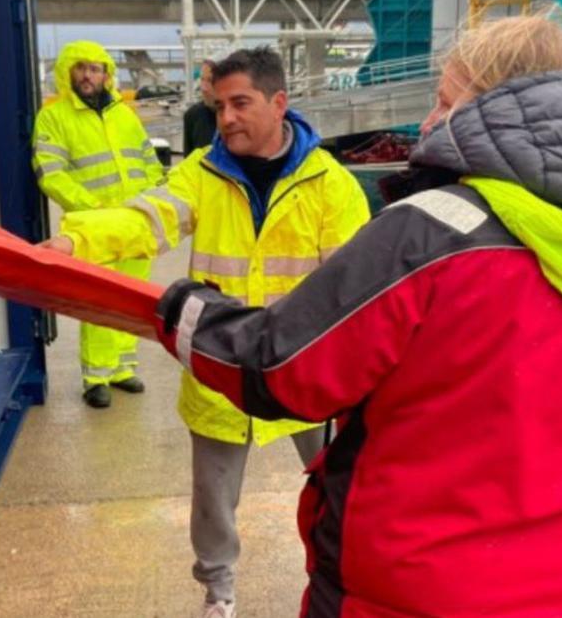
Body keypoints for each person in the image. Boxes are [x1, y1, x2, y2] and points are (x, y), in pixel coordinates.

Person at [154, 8, 562, 617]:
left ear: (489, 110)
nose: (426, 122)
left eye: (443, 102)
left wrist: (187, 309)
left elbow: (280, 368)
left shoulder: (426, 236)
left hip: (409, 590)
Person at [45, 46, 370, 618]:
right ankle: (218, 593)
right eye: (218, 106)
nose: (226, 119)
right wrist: (77, 240)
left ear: (279, 103)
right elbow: (147, 216)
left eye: (240, 103)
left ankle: (341, 578)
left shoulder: (331, 185)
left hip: (305, 366)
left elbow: (355, 282)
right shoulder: (202, 172)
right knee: (213, 498)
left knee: (343, 487)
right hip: (222, 363)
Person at [32, 40, 164, 409]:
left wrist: (151, 200)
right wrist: (94, 208)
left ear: (107, 74)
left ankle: (122, 369)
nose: (88, 75)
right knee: (100, 300)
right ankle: (96, 377)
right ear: (67, 72)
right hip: (93, 226)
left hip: (135, 222)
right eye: (80, 67)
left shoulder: (125, 114)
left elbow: (148, 160)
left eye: (95, 68)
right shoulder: (54, 117)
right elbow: (51, 174)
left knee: (133, 295)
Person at [183, 59, 218, 152]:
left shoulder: (240, 118)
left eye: (210, 80)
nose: (204, 88)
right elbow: (188, 162)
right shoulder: (192, 116)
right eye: (202, 79)